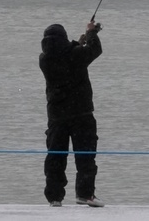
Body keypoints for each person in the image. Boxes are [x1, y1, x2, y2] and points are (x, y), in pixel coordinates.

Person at [40, 20, 104, 207]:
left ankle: (54, 197)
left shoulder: (44, 59)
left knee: (56, 156)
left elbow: (66, 54)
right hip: (81, 113)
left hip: (57, 116)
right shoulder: (76, 55)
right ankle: (85, 194)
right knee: (85, 156)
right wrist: (91, 33)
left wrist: (78, 43)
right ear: (64, 38)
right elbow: (95, 49)